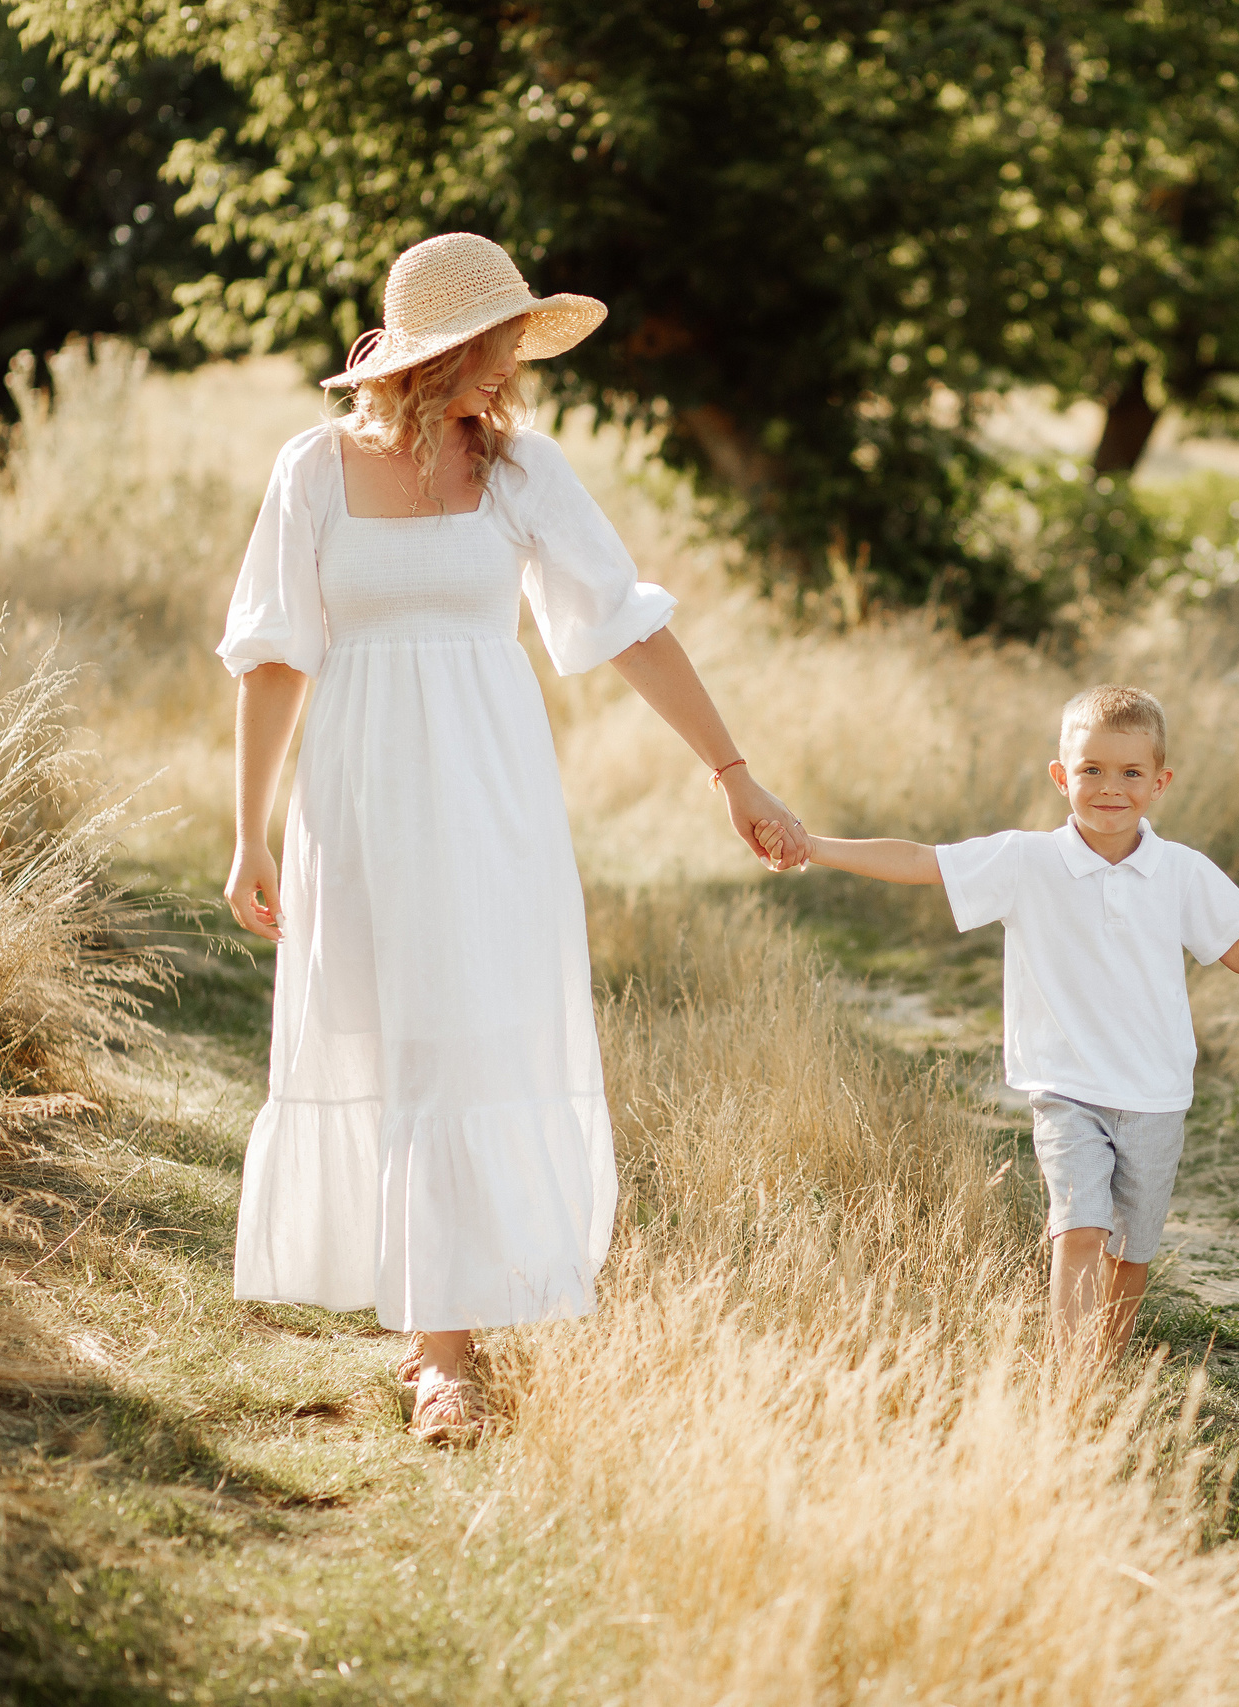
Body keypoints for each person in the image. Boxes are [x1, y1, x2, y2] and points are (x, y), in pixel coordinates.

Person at [217, 232, 808, 1445]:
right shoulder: (313, 472)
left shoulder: (525, 474)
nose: (510, 373)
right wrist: (250, 834)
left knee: (469, 1037)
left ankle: (445, 1354)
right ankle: (432, 1330)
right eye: (495, 348)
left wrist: (733, 773)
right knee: (392, 1032)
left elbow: (627, 627)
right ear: (433, 355)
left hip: (490, 789)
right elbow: (275, 655)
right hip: (361, 787)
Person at [762, 686, 1239, 1364]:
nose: (1111, 787)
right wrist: (811, 844)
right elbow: (918, 860)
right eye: (1091, 770)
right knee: (1079, 1228)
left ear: (1160, 782)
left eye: (1131, 772)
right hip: (1065, 1088)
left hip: (1155, 1094)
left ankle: (1101, 1369)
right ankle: (1069, 1379)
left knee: (1130, 1253)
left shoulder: (1180, 871)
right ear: (1062, 776)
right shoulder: (1028, 860)